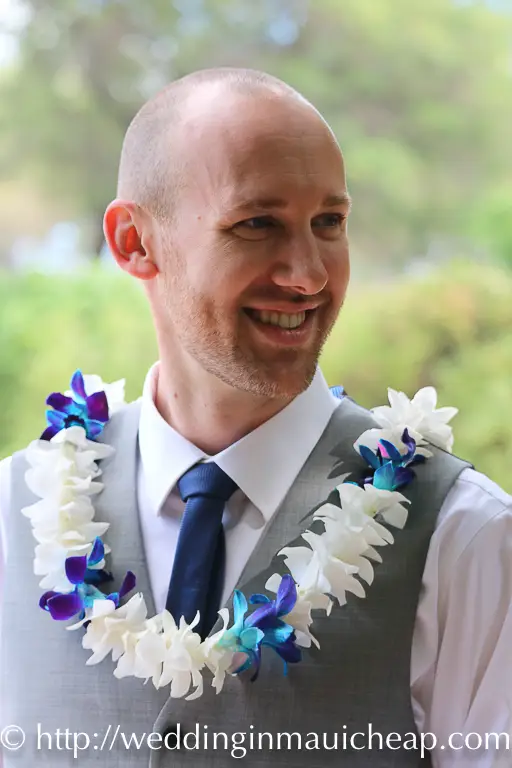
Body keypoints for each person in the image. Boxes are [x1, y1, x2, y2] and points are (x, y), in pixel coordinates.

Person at [0, 67, 511, 768]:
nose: (309, 275)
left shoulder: (463, 537)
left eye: (329, 223)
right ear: (133, 242)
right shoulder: (11, 516)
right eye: (257, 224)